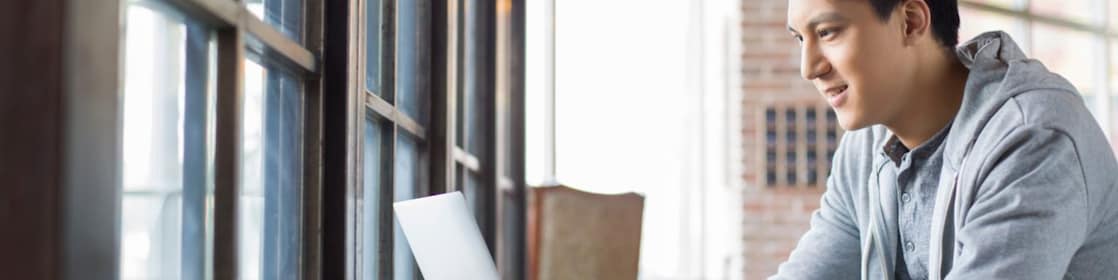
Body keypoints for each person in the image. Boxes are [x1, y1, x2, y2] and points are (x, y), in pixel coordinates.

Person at [773, 0, 1118, 279]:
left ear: (910, 21)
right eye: (800, 38)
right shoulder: (866, 145)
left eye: (828, 32)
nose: (809, 68)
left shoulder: (1032, 139)